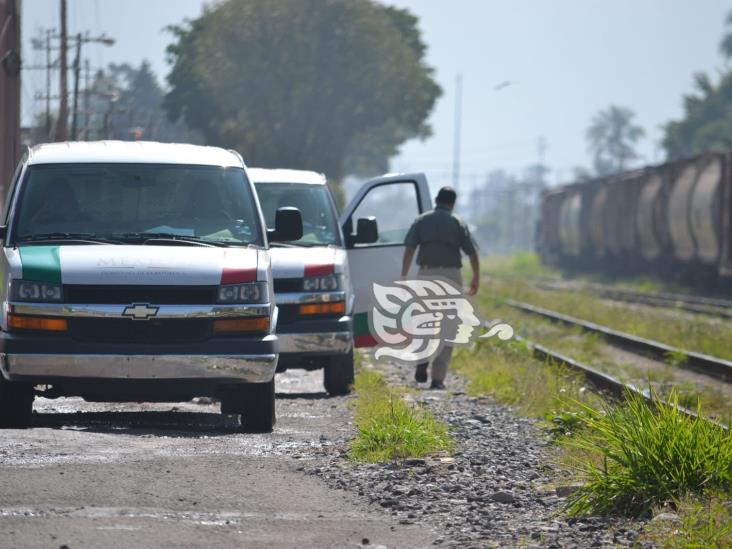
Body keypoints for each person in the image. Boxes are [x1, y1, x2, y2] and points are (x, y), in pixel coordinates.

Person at [400, 186, 480, 390]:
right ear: (453, 203)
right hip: (451, 275)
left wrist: (404, 274)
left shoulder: (421, 220)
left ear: (436, 200)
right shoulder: (458, 222)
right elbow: (471, 253)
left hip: (426, 274)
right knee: (449, 326)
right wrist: (476, 278)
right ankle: (437, 378)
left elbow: (409, 248)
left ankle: (421, 360)